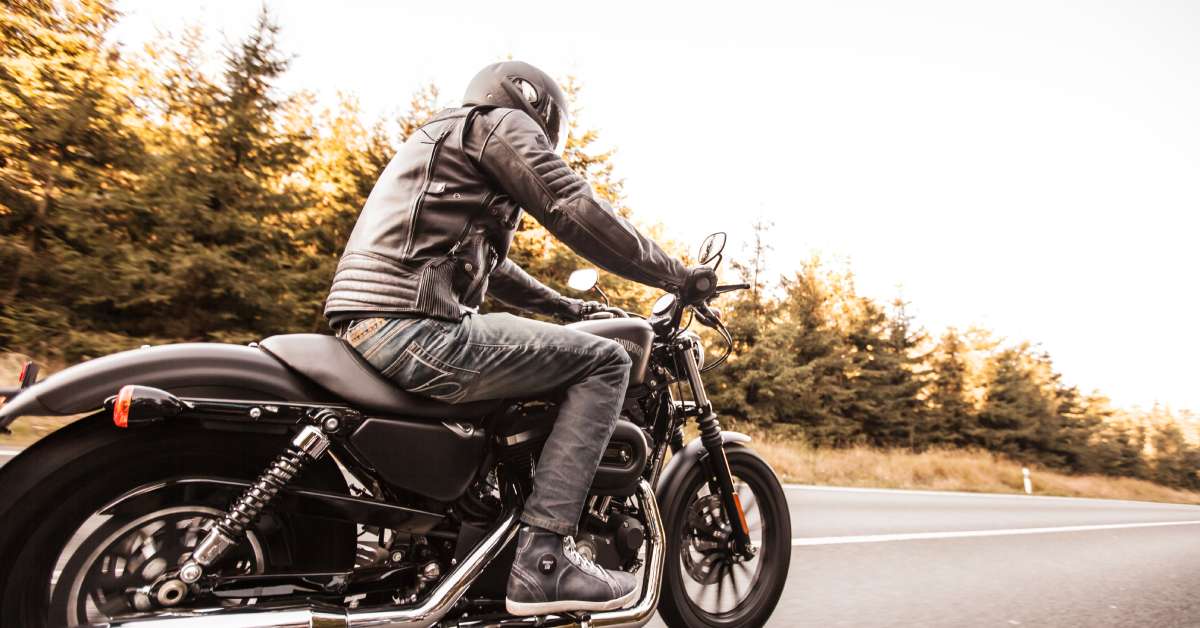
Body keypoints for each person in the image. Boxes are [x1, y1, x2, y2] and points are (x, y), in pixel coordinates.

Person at [324, 61, 700, 615]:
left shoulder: (445, 138)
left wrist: (565, 305)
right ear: (536, 107)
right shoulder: (499, 124)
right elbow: (572, 206)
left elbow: (490, 268)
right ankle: (545, 559)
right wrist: (674, 274)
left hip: (374, 319)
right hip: (416, 323)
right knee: (606, 361)